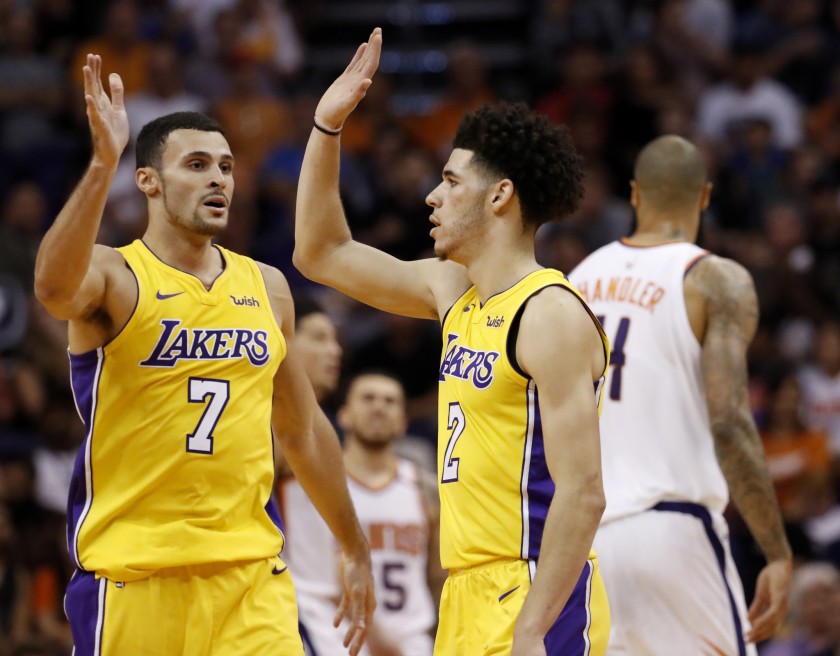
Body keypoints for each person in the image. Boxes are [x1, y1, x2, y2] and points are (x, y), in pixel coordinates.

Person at [32, 54, 374, 655]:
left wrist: (354, 544)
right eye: (196, 166)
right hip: (136, 577)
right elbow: (53, 288)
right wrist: (99, 165)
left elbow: (303, 431)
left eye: (226, 167)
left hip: (249, 579)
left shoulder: (266, 286)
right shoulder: (115, 274)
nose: (219, 179)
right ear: (149, 181)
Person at [294, 28, 611, 656]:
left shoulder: (550, 313)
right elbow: (321, 252)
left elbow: (584, 492)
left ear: (500, 196)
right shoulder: (451, 290)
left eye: (451, 181)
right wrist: (325, 128)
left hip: (531, 588)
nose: (432, 195)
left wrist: (534, 627)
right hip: (464, 595)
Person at [568, 135, 792, 655]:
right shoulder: (714, 280)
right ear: (705, 196)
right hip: (673, 528)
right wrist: (776, 552)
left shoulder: (574, 282)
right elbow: (730, 422)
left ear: (634, 194)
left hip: (580, 545)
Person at [281, 371, 444, 656]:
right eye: (367, 398)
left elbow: (437, 577)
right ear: (343, 415)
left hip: (411, 643)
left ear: (404, 422)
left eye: (390, 401)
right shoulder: (312, 481)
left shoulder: (424, 488)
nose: (379, 406)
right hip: (334, 639)